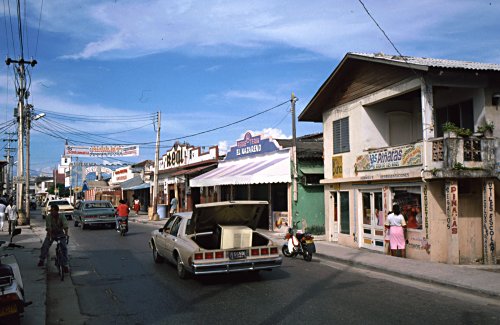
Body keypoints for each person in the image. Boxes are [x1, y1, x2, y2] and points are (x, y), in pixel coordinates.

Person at [38, 205, 69, 272]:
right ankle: (42, 260)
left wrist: (66, 234)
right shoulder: (49, 217)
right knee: (45, 245)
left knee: (64, 248)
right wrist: (50, 236)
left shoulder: (61, 216)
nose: (52, 212)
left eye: (53, 210)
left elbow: (65, 225)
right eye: (51, 210)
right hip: (51, 233)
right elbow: (48, 227)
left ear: (57, 211)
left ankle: (65, 265)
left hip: (60, 233)